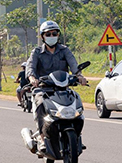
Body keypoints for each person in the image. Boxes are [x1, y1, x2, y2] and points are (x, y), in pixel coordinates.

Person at [26, 20, 87, 149]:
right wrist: (32, 78)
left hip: (63, 88)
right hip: (43, 89)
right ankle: (42, 138)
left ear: (58, 35)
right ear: (43, 36)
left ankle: (76, 136)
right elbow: (30, 67)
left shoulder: (64, 50)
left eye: (54, 33)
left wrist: (79, 77)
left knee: (76, 100)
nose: (51, 36)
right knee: (40, 104)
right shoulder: (36, 52)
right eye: (48, 34)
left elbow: (73, 65)